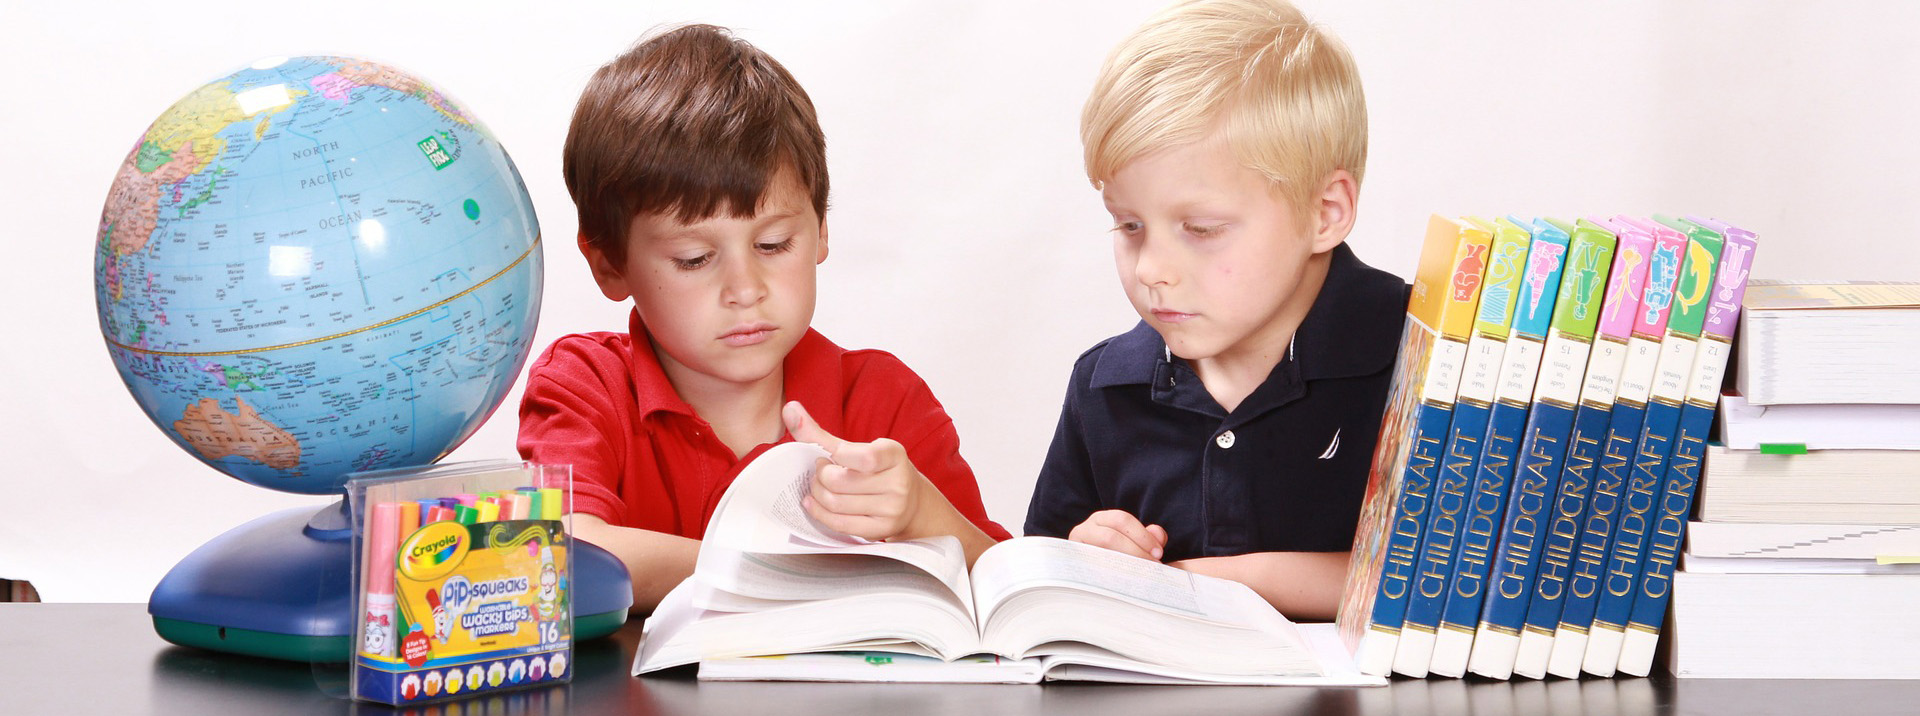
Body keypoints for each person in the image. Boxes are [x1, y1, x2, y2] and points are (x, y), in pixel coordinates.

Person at [519, 24, 1009, 613]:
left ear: (821, 228)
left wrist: (924, 516)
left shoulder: (885, 402)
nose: (746, 290)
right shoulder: (584, 386)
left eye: (774, 244)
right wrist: (788, 571)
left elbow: (1003, 588)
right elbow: (564, 557)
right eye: (694, 259)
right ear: (608, 264)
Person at [1023, 0, 1408, 620]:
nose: (1151, 269)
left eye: (1200, 228)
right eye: (1127, 224)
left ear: (1325, 212)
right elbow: (1036, 581)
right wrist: (1084, 555)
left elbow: (1461, 580)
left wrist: (1223, 581)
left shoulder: (1427, 359)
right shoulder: (1103, 385)